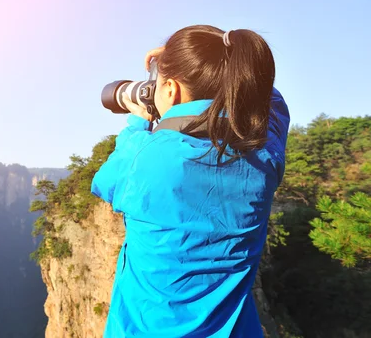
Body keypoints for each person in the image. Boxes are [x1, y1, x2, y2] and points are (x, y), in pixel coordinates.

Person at [91, 25, 290, 338]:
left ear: (171, 89)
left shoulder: (140, 157)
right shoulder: (263, 155)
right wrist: (213, 60)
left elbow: (104, 181)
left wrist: (138, 119)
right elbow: (270, 100)